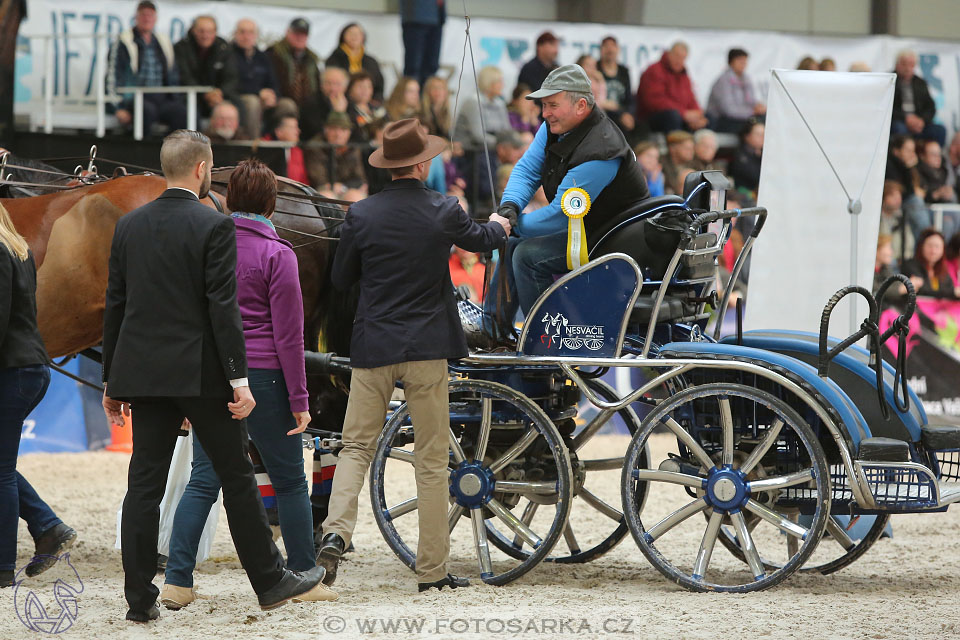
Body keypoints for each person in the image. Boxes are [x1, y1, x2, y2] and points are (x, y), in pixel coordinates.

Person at [102, 130, 332, 622]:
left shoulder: (129, 226)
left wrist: (111, 381)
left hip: (144, 375)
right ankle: (270, 582)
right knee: (236, 479)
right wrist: (239, 380)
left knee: (143, 486)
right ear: (203, 169)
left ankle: (140, 601)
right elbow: (221, 310)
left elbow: (116, 308)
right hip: (203, 375)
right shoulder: (214, 226)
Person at [315, 118, 511, 591]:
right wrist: (501, 224)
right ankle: (432, 571)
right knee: (430, 456)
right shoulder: (445, 208)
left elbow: (341, 280)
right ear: (422, 163)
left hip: (374, 346)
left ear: (388, 166)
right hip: (427, 348)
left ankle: (336, 534)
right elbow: (483, 241)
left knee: (356, 446)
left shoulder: (360, 214)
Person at [159, 158, 318, 610]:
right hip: (267, 377)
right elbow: (290, 336)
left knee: (204, 480)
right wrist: (300, 397)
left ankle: (177, 578)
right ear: (272, 204)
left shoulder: (208, 247)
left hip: (215, 378)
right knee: (288, 482)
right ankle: (304, 573)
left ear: (228, 200)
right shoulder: (278, 254)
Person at [477, 65, 650, 342]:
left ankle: (549, 340)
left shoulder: (601, 150)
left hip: (611, 241)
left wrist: (509, 226)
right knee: (512, 243)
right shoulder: (555, 127)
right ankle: (491, 330)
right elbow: (527, 171)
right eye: (544, 105)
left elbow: (560, 215)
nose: (544, 113)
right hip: (588, 230)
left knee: (526, 256)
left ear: (581, 105)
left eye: (552, 105)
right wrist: (508, 209)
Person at [0, 203, 77, 588]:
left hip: (12, 370)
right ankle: (47, 526)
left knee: (0, 470)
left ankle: (2, 567)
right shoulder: (19, 248)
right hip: (29, 367)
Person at [106, 1, 187, 135]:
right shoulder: (124, 42)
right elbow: (113, 76)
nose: (147, 18)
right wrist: (118, 108)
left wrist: (176, 98)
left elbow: (173, 74)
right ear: (136, 17)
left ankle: (175, 153)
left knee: (181, 113)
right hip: (135, 98)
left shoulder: (163, 42)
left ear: (156, 18)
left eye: (150, 15)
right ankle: (142, 153)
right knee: (146, 112)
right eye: (143, 15)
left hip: (160, 97)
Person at [174, 15, 238, 121]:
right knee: (187, 110)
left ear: (215, 32)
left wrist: (220, 93)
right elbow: (184, 77)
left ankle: (241, 137)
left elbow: (231, 77)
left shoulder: (223, 47)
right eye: (201, 31)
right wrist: (205, 93)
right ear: (194, 30)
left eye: (210, 31)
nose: (205, 35)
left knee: (239, 106)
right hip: (192, 95)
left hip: (220, 95)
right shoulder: (181, 48)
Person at [636, 42, 708, 133]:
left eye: (683, 58)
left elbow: (690, 98)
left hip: (679, 115)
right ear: (669, 54)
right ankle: (678, 145)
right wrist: (684, 114)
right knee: (673, 116)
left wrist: (698, 114)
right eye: (677, 56)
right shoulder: (654, 70)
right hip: (653, 118)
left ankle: (701, 146)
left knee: (708, 118)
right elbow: (654, 101)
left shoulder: (683, 75)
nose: (679, 61)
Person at [267, 18, 321, 124]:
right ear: (288, 32)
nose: (300, 37)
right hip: (281, 100)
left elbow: (317, 86)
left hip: (307, 105)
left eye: (304, 34)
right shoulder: (273, 53)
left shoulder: (311, 59)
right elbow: (271, 82)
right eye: (296, 33)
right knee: (288, 105)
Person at [231, 19, 280, 137]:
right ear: (235, 34)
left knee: (287, 105)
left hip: (263, 100)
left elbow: (274, 82)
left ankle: (277, 145)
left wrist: (273, 96)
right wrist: (259, 93)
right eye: (242, 32)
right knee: (253, 103)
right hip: (237, 99)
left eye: (251, 33)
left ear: (256, 36)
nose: (246, 36)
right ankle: (253, 146)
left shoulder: (263, 57)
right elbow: (232, 83)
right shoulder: (228, 54)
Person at [306, 111, 368, 199]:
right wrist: (333, 186)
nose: (338, 134)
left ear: (349, 132)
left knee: (354, 197)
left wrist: (343, 186)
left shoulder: (352, 149)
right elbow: (318, 179)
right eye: (334, 129)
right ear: (325, 129)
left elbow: (359, 179)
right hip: (320, 190)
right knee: (327, 197)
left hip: (346, 189)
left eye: (343, 129)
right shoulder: (315, 147)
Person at [892, 49, 946, 146]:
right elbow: (887, 108)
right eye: (904, 64)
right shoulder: (890, 81)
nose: (907, 68)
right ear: (897, 64)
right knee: (898, 128)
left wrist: (922, 121)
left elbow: (931, 108)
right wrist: (906, 118)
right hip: (899, 122)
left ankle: (934, 159)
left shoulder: (920, 83)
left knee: (939, 130)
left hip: (918, 122)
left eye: (911, 65)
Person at [706, 48, 765, 134]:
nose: (743, 64)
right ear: (731, 62)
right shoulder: (724, 81)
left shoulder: (746, 78)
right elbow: (728, 110)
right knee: (751, 128)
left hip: (741, 118)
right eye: (740, 60)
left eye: (745, 61)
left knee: (764, 119)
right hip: (722, 120)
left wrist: (758, 107)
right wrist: (751, 111)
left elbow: (751, 100)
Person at [886, 134, 933, 240]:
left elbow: (924, 188)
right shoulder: (890, 165)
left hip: (907, 204)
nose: (912, 154)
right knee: (915, 201)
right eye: (908, 150)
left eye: (913, 150)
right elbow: (907, 193)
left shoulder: (908, 166)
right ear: (896, 151)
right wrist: (908, 168)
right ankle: (927, 238)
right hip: (894, 204)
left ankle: (926, 241)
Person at [453, 66, 511, 148]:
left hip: (492, 147)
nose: (503, 85)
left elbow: (507, 130)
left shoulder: (500, 103)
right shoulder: (473, 102)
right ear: (489, 82)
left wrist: (509, 141)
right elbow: (478, 136)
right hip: (471, 149)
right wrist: (502, 144)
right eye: (499, 82)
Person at [326, 23, 384, 103]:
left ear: (363, 37)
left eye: (358, 34)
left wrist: (376, 100)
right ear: (343, 36)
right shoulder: (334, 59)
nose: (354, 36)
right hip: (340, 100)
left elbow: (379, 84)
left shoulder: (371, 61)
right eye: (350, 33)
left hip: (368, 103)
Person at [901, 229, 959, 299]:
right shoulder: (911, 265)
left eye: (937, 247)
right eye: (929, 246)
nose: (933, 251)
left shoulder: (943, 268)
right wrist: (952, 292)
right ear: (921, 246)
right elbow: (923, 290)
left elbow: (948, 288)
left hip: (939, 308)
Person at [401, 0, 446, 86]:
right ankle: (412, 97)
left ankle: (426, 98)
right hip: (415, 17)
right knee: (413, 67)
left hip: (437, 17)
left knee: (432, 67)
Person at [265, 116, 309, 185]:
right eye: (293, 128)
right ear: (279, 132)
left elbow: (303, 180)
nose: (298, 131)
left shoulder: (298, 152)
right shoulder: (264, 148)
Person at [598, 37, 633, 120]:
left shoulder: (624, 71)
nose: (609, 50)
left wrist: (629, 114)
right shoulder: (596, 69)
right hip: (602, 113)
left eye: (612, 46)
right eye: (606, 46)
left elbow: (629, 98)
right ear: (601, 50)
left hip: (621, 115)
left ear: (618, 49)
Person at [346, 72, 386, 143]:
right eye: (360, 86)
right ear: (350, 89)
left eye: (369, 86)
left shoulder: (378, 108)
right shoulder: (347, 111)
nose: (365, 90)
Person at [729, 119, 764, 199]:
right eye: (758, 134)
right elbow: (755, 177)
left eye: (764, 134)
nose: (762, 138)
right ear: (747, 136)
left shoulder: (764, 153)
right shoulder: (740, 155)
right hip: (743, 193)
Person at [662, 130, 694, 195]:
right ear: (672, 149)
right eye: (686, 148)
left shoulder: (694, 164)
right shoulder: (661, 166)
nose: (691, 151)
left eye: (692, 148)